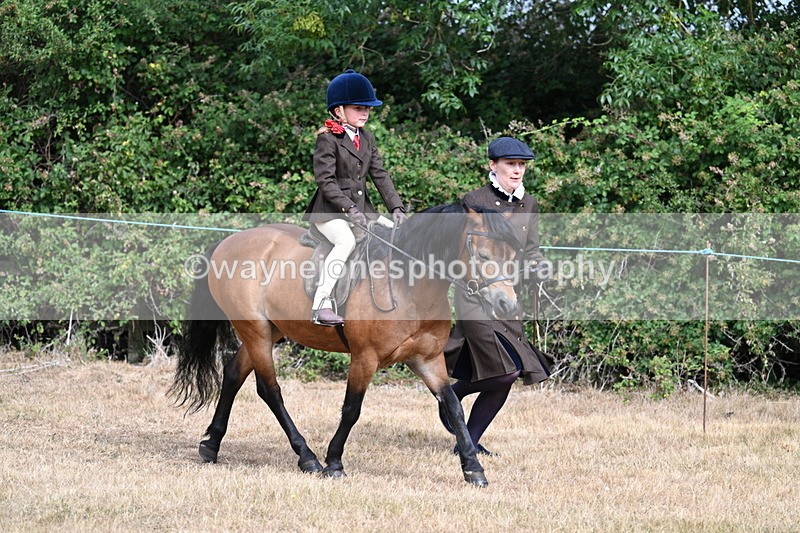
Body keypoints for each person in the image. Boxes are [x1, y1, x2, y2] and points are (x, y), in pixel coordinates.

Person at [440, 136, 551, 455]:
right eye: (510, 164)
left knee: (508, 374)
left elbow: (531, 249)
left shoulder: (529, 203)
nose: (517, 171)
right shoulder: (473, 200)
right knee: (508, 370)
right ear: (493, 165)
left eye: (521, 165)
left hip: (507, 299)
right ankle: (454, 393)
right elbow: (458, 253)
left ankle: (468, 443)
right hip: (474, 298)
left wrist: (539, 265)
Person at [304, 69, 408, 326]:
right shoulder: (328, 139)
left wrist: (396, 207)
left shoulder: (367, 138)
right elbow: (325, 181)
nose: (365, 113)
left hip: (363, 211)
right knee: (346, 241)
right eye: (359, 108)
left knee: (400, 234)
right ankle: (321, 304)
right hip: (330, 212)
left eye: (368, 109)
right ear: (338, 111)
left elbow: (380, 175)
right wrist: (349, 208)